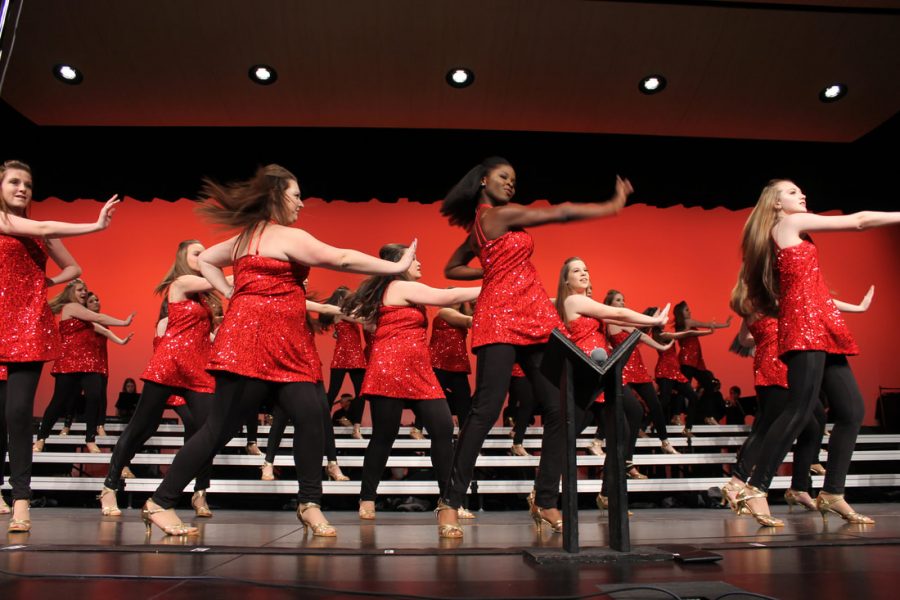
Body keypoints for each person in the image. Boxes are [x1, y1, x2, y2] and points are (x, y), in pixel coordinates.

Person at [141, 164, 417, 537]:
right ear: (276, 197)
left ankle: (310, 504)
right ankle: (160, 501)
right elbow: (341, 259)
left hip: (286, 345)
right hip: (250, 344)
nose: (301, 203)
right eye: (296, 195)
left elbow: (207, 260)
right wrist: (395, 265)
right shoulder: (285, 236)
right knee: (218, 428)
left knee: (311, 415)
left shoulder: (242, 240)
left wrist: (229, 291)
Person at [436, 156, 632, 538]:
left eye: (514, 179)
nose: (511, 184)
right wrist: (610, 206)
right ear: (482, 181)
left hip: (535, 317)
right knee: (486, 409)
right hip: (501, 319)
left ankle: (544, 500)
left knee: (562, 408)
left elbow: (453, 267)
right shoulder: (496, 216)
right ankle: (450, 501)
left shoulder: (481, 228)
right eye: (503, 177)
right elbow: (558, 212)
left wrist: (492, 267)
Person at [733, 179, 898, 526]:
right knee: (799, 408)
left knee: (852, 409)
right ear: (776, 204)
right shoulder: (790, 223)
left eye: (802, 190)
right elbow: (859, 221)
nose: (802, 195)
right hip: (806, 326)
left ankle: (833, 492)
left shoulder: (788, 232)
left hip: (821, 323)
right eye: (792, 192)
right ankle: (754, 489)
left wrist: (851, 308)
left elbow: (812, 289)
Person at [0, 159, 119, 532]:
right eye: (14, 182)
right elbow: (43, 225)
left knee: (18, 413)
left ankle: (21, 499)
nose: (22, 189)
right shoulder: (5, 221)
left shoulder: (39, 231)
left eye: (28, 184)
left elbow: (73, 269)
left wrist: (40, 282)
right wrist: (96, 225)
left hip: (27, 325)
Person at [342, 243, 479, 521]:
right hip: (391, 368)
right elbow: (443, 296)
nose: (419, 263)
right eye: (414, 259)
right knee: (384, 436)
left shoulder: (397, 291)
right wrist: (496, 285)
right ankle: (367, 498)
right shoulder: (399, 286)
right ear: (399, 263)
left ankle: (449, 501)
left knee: (442, 430)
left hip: (419, 370)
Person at [99, 239, 222, 519]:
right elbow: (223, 281)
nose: (203, 257)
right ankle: (109, 487)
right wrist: (252, 271)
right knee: (142, 427)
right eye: (197, 253)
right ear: (182, 257)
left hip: (197, 369)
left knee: (209, 431)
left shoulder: (203, 298)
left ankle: (198, 492)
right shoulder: (179, 284)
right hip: (169, 363)